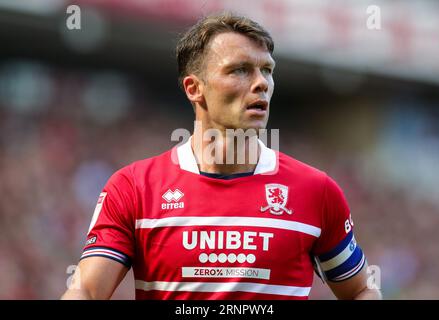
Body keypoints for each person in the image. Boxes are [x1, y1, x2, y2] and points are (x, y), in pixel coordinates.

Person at [62, 12, 382, 300]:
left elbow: (361, 291)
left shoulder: (316, 191)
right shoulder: (133, 188)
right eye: (240, 70)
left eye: (267, 71)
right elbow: (87, 290)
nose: (261, 84)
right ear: (194, 88)